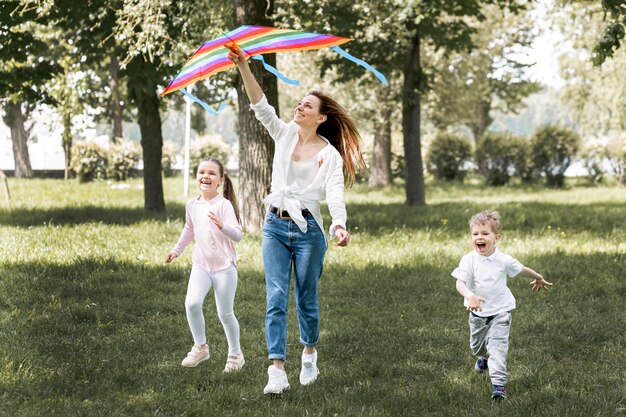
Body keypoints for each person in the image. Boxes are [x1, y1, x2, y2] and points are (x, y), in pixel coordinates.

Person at [228, 46, 367, 394]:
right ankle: (276, 369)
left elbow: (335, 193)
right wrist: (244, 66)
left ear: (320, 117)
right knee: (275, 296)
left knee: (306, 297)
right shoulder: (285, 132)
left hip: (309, 232)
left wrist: (339, 224)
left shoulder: (330, 156)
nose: (299, 107)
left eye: (307, 105)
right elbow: (261, 106)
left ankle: (309, 353)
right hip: (274, 225)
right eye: (300, 103)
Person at [451, 210, 553, 401]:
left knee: (497, 350)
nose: (479, 237)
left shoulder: (503, 260)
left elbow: (521, 270)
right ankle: (484, 359)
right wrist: (469, 295)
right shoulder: (468, 259)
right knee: (477, 348)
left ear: (496, 238)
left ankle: (499, 386)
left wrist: (538, 277)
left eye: (485, 234)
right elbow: (459, 283)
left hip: (500, 314)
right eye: (475, 234)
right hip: (477, 314)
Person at [165, 157, 245, 373]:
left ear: (220, 179)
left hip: (224, 268)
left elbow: (237, 235)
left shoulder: (224, 205)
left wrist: (223, 226)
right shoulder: (192, 204)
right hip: (201, 265)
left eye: (211, 173)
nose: (205, 176)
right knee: (191, 304)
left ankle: (236, 355)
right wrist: (176, 250)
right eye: (202, 172)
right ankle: (201, 347)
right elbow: (188, 229)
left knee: (225, 314)